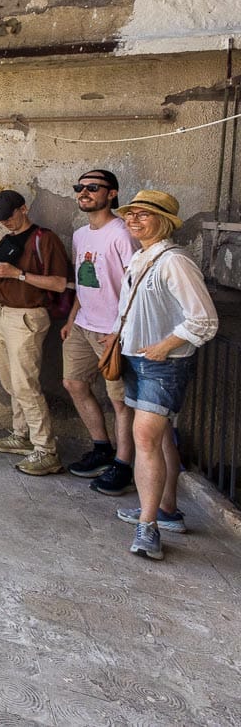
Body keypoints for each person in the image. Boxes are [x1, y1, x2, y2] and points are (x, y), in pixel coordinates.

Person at [105, 190, 217, 560]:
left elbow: (204, 319)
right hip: (139, 359)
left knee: (146, 439)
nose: (134, 221)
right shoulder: (141, 257)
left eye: (143, 215)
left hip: (162, 364)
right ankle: (166, 510)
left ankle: (148, 526)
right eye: (131, 215)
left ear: (164, 221)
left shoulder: (174, 262)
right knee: (161, 436)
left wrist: (165, 345)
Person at [59, 170, 138, 493]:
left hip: (113, 332)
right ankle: (102, 449)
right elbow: (83, 282)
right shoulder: (80, 235)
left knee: (121, 401)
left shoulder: (121, 233)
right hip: (83, 324)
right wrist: (71, 319)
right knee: (74, 383)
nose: (84, 193)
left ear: (112, 193)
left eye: (93, 188)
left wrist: (120, 331)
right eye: (80, 188)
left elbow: (136, 288)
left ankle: (123, 464)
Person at [0, 190, 72, 475]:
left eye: (9, 216)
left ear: (24, 209)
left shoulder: (45, 239)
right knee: (10, 381)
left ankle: (46, 450)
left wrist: (17, 275)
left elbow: (60, 284)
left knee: (25, 384)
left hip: (28, 316)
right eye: (1, 219)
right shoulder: (8, 240)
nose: (6, 222)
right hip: (3, 312)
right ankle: (20, 435)